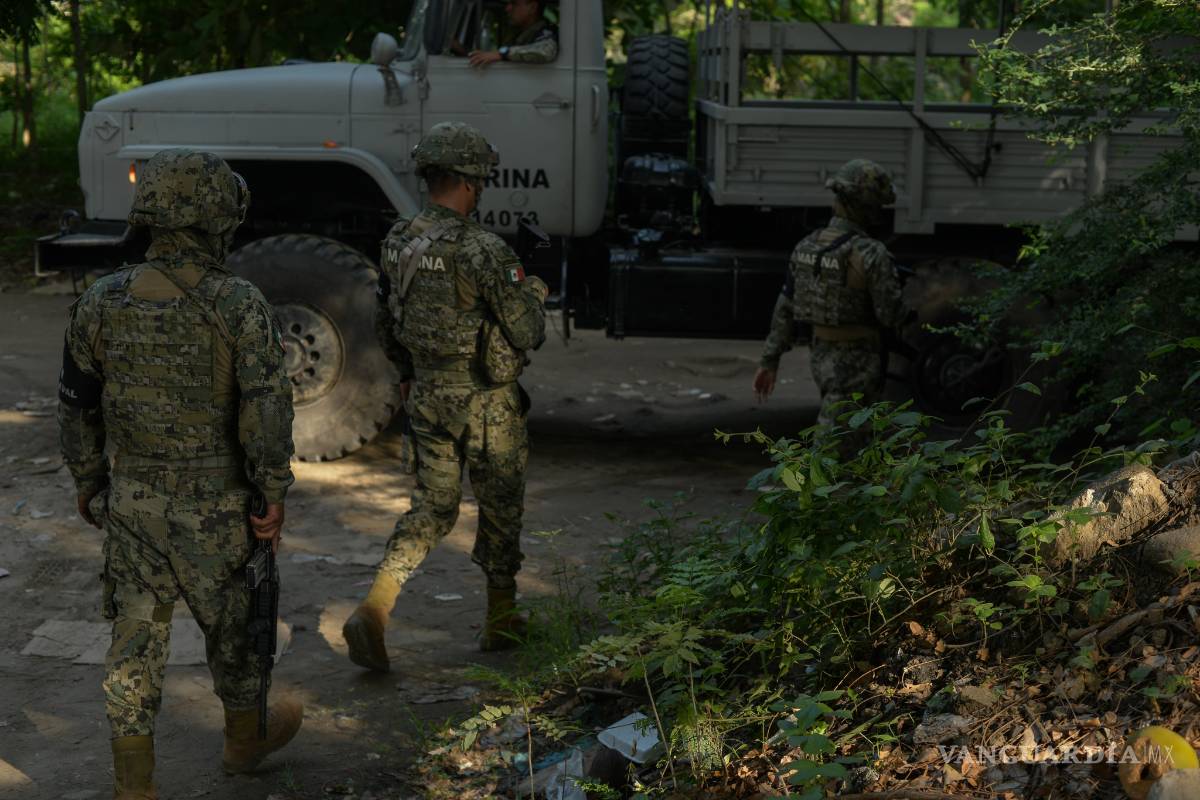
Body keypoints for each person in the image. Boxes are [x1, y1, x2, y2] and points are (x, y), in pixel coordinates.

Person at [57, 149, 302, 799]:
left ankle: (134, 784)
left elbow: (77, 403)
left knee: (134, 641)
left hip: (134, 500)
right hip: (218, 504)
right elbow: (266, 407)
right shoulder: (238, 303)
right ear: (218, 215)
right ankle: (243, 743)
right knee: (236, 632)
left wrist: (88, 479)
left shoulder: (101, 300)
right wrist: (271, 490)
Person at [342, 121, 548, 672]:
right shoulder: (485, 249)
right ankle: (501, 620)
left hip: (429, 395)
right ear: (471, 181)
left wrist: (409, 372)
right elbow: (526, 331)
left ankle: (374, 608)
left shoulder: (398, 241)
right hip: (487, 403)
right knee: (499, 509)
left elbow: (387, 319)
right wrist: (534, 288)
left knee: (432, 507)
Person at [752, 159, 908, 442]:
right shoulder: (871, 253)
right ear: (867, 206)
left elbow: (785, 308)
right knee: (834, 444)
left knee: (857, 437)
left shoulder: (807, 245)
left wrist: (769, 360)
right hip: (858, 361)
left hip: (821, 357)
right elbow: (890, 316)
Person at [468, 0, 559, 66]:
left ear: (532, 7)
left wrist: (502, 54)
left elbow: (546, 50)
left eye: (514, 3)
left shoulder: (547, 32)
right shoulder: (520, 33)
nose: (507, 8)